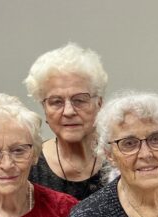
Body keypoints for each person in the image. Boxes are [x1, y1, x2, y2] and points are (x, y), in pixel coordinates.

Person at [24, 43, 109, 200]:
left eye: (80, 100)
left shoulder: (121, 159)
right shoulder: (29, 166)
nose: (69, 111)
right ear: (44, 108)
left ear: (99, 104)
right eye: (56, 102)